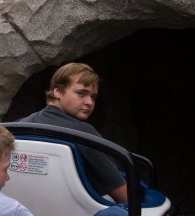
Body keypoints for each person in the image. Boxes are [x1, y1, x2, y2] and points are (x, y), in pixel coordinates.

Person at [18, 62, 128, 203]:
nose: (89, 102)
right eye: (81, 93)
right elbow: (125, 196)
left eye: (93, 97)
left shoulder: (18, 127)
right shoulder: (84, 135)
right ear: (57, 91)